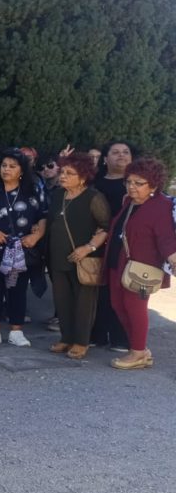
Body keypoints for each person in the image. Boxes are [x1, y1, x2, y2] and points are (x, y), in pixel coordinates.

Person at [0, 148, 48, 347]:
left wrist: (37, 235)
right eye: (4, 165)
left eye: (12, 166)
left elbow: (44, 215)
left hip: (21, 249)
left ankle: (16, 331)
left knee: (18, 290)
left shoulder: (33, 190)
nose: (6, 169)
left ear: (22, 170)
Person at [104, 158, 176, 370]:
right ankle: (139, 349)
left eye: (139, 183)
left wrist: (173, 258)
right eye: (129, 181)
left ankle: (138, 352)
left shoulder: (161, 206)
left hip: (142, 269)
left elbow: (166, 237)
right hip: (118, 262)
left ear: (153, 185)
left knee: (135, 309)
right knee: (119, 306)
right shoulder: (129, 201)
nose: (132, 186)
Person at [45, 153, 110, 361]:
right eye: (62, 172)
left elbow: (105, 227)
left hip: (84, 259)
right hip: (58, 257)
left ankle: (81, 342)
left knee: (84, 303)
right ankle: (66, 338)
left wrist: (88, 248)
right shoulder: (58, 195)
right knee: (62, 301)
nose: (63, 176)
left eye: (69, 173)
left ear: (82, 177)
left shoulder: (94, 197)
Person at [92, 140, 138, 352]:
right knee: (98, 291)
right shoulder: (95, 183)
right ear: (105, 159)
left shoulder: (137, 184)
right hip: (96, 243)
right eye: (116, 152)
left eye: (126, 152)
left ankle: (121, 338)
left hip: (125, 246)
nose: (122, 155)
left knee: (122, 292)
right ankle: (97, 334)